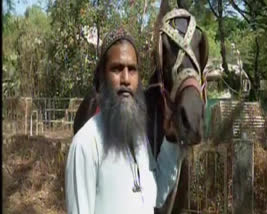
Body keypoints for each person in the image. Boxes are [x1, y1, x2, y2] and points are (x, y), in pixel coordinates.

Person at [65, 27, 183, 214]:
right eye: (117, 69)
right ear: (102, 76)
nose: (126, 79)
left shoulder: (139, 139)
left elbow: (156, 195)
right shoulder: (85, 144)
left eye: (132, 69)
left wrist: (170, 140)